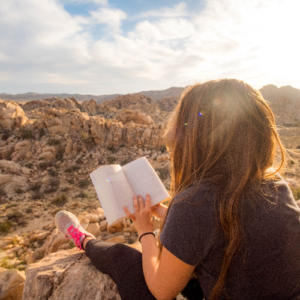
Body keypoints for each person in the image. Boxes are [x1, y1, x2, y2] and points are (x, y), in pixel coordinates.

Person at [55, 79, 300, 300]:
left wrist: (144, 231)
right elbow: (224, 228)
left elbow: (162, 291)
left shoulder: (195, 203)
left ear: (197, 140)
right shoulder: (277, 187)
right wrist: (166, 213)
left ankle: (82, 239)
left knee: (125, 259)